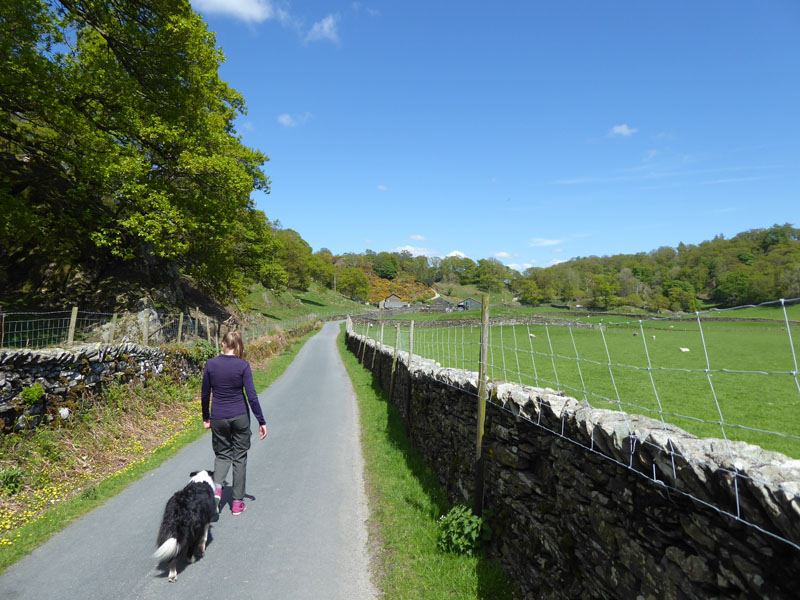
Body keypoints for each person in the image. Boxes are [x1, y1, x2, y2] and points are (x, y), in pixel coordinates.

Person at [201, 330, 267, 515]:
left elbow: (205, 394)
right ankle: (237, 503)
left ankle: (217, 490)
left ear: (222, 343)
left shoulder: (211, 364)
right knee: (239, 457)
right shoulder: (243, 366)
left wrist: (206, 417)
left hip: (219, 417)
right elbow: (252, 397)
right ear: (237, 345)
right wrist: (261, 421)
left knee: (222, 455)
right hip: (240, 417)